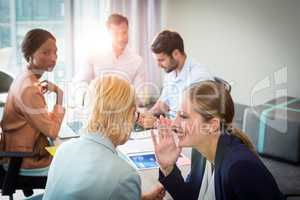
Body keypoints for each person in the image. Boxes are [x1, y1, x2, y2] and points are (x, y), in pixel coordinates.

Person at [151, 80, 285, 200]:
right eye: (177, 115)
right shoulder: (201, 150)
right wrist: (168, 168)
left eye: (184, 116)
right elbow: (191, 196)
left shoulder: (240, 168)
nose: (174, 124)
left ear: (212, 125)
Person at [42, 76, 165, 200]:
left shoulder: (63, 149)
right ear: (123, 117)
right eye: (134, 113)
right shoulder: (125, 175)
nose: (135, 120)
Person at [0, 29, 65, 176]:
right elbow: (53, 132)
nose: (53, 58)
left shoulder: (25, 77)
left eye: (55, 52)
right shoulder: (29, 88)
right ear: (30, 55)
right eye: (46, 52)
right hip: (27, 160)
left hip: (19, 153)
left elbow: (36, 119)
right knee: (77, 163)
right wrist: (60, 95)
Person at [138, 30, 212, 128]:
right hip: (170, 128)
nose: (158, 65)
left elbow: (193, 123)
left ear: (176, 53)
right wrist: (147, 115)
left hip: (186, 133)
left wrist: (157, 124)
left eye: (161, 60)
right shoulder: (171, 72)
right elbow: (163, 104)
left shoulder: (198, 77)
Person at [74, 13, 145, 104]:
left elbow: (140, 95)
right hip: (97, 109)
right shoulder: (93, 54)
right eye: (116, 34)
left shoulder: (137, 61)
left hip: (124, 112)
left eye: (124, 33)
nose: (121, 38)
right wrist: (86, 101)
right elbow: (81, 82)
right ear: (108, 33)